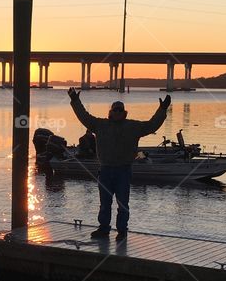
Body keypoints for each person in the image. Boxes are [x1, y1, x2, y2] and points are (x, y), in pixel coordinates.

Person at [67, 88, 171, 241]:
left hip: (123, 170)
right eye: (115, 109)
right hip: (105, 170)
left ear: (124, 112)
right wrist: (75, 101)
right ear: (110, 112)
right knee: (105, 204)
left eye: (120, 110)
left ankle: (122, 231)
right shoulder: (99, 125)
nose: (117, 112)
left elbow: (152, 125)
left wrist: (162, 110)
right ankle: (103, 229)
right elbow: (84, 117)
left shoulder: (134, 127)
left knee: (123, 204)